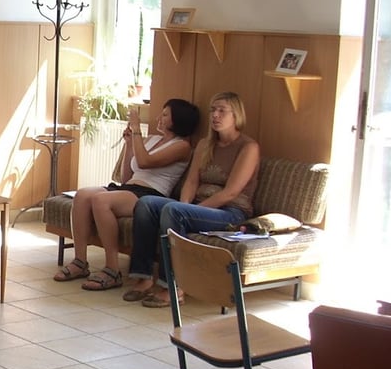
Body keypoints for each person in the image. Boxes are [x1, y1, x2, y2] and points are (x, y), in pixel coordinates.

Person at [127, 92, 260, 308]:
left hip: (231, 212)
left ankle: (174, 287)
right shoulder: (205, 144)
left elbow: (231, 193)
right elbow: (191, 182)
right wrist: (185, 206)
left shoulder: (248, 147)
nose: (215, 115)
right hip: (199, 207)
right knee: (147, 203)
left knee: (173, 211)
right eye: (213, 110)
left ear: (236, 115)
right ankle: (144, 276)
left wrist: (187, 210)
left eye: (222, 111)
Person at [53, 99, 200, 293]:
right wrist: (129, 144)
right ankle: (80, 261)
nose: (159, 118)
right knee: (82, 196)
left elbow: (145, 162)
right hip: (129, 188)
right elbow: (127, 177)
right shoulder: (152, 139)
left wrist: (137, 129)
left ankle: (112, 270)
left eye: (165, 115)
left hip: (151, 195)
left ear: (178, 120)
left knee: (100, 200)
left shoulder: (182, 146)